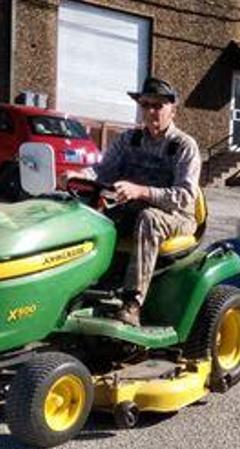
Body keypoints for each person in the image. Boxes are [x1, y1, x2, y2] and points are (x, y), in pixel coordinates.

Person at [94, 77, 201, 326]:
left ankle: (133, 302)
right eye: (146, 105)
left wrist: (141, 191)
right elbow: (102, 172)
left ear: (172, 110)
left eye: (158, 105)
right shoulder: (128, 140)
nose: (150, 111)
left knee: (149, 219)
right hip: (132, 209)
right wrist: (76, 177)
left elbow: (185, 196)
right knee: (89, 214)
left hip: (177, 217)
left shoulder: (184, 146)